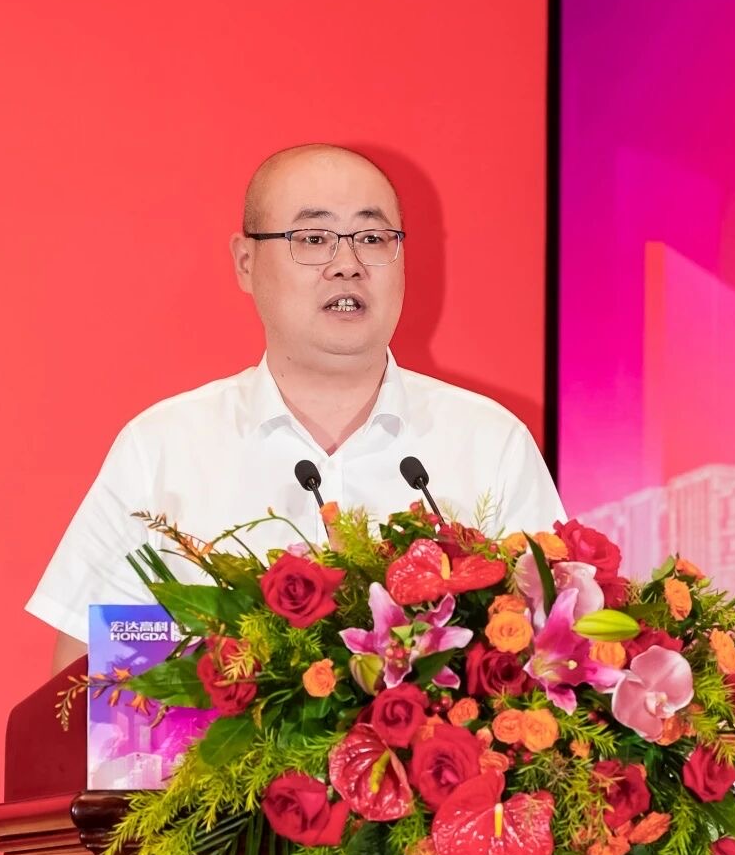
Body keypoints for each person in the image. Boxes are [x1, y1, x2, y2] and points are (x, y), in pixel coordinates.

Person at [30, 144, 563, 672]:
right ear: (246, 262)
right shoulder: (162, 448)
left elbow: (559, 657)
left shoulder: (490, 443)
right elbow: (84, 685)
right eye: (313, 238)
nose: (347, 265)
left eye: (373, 238)